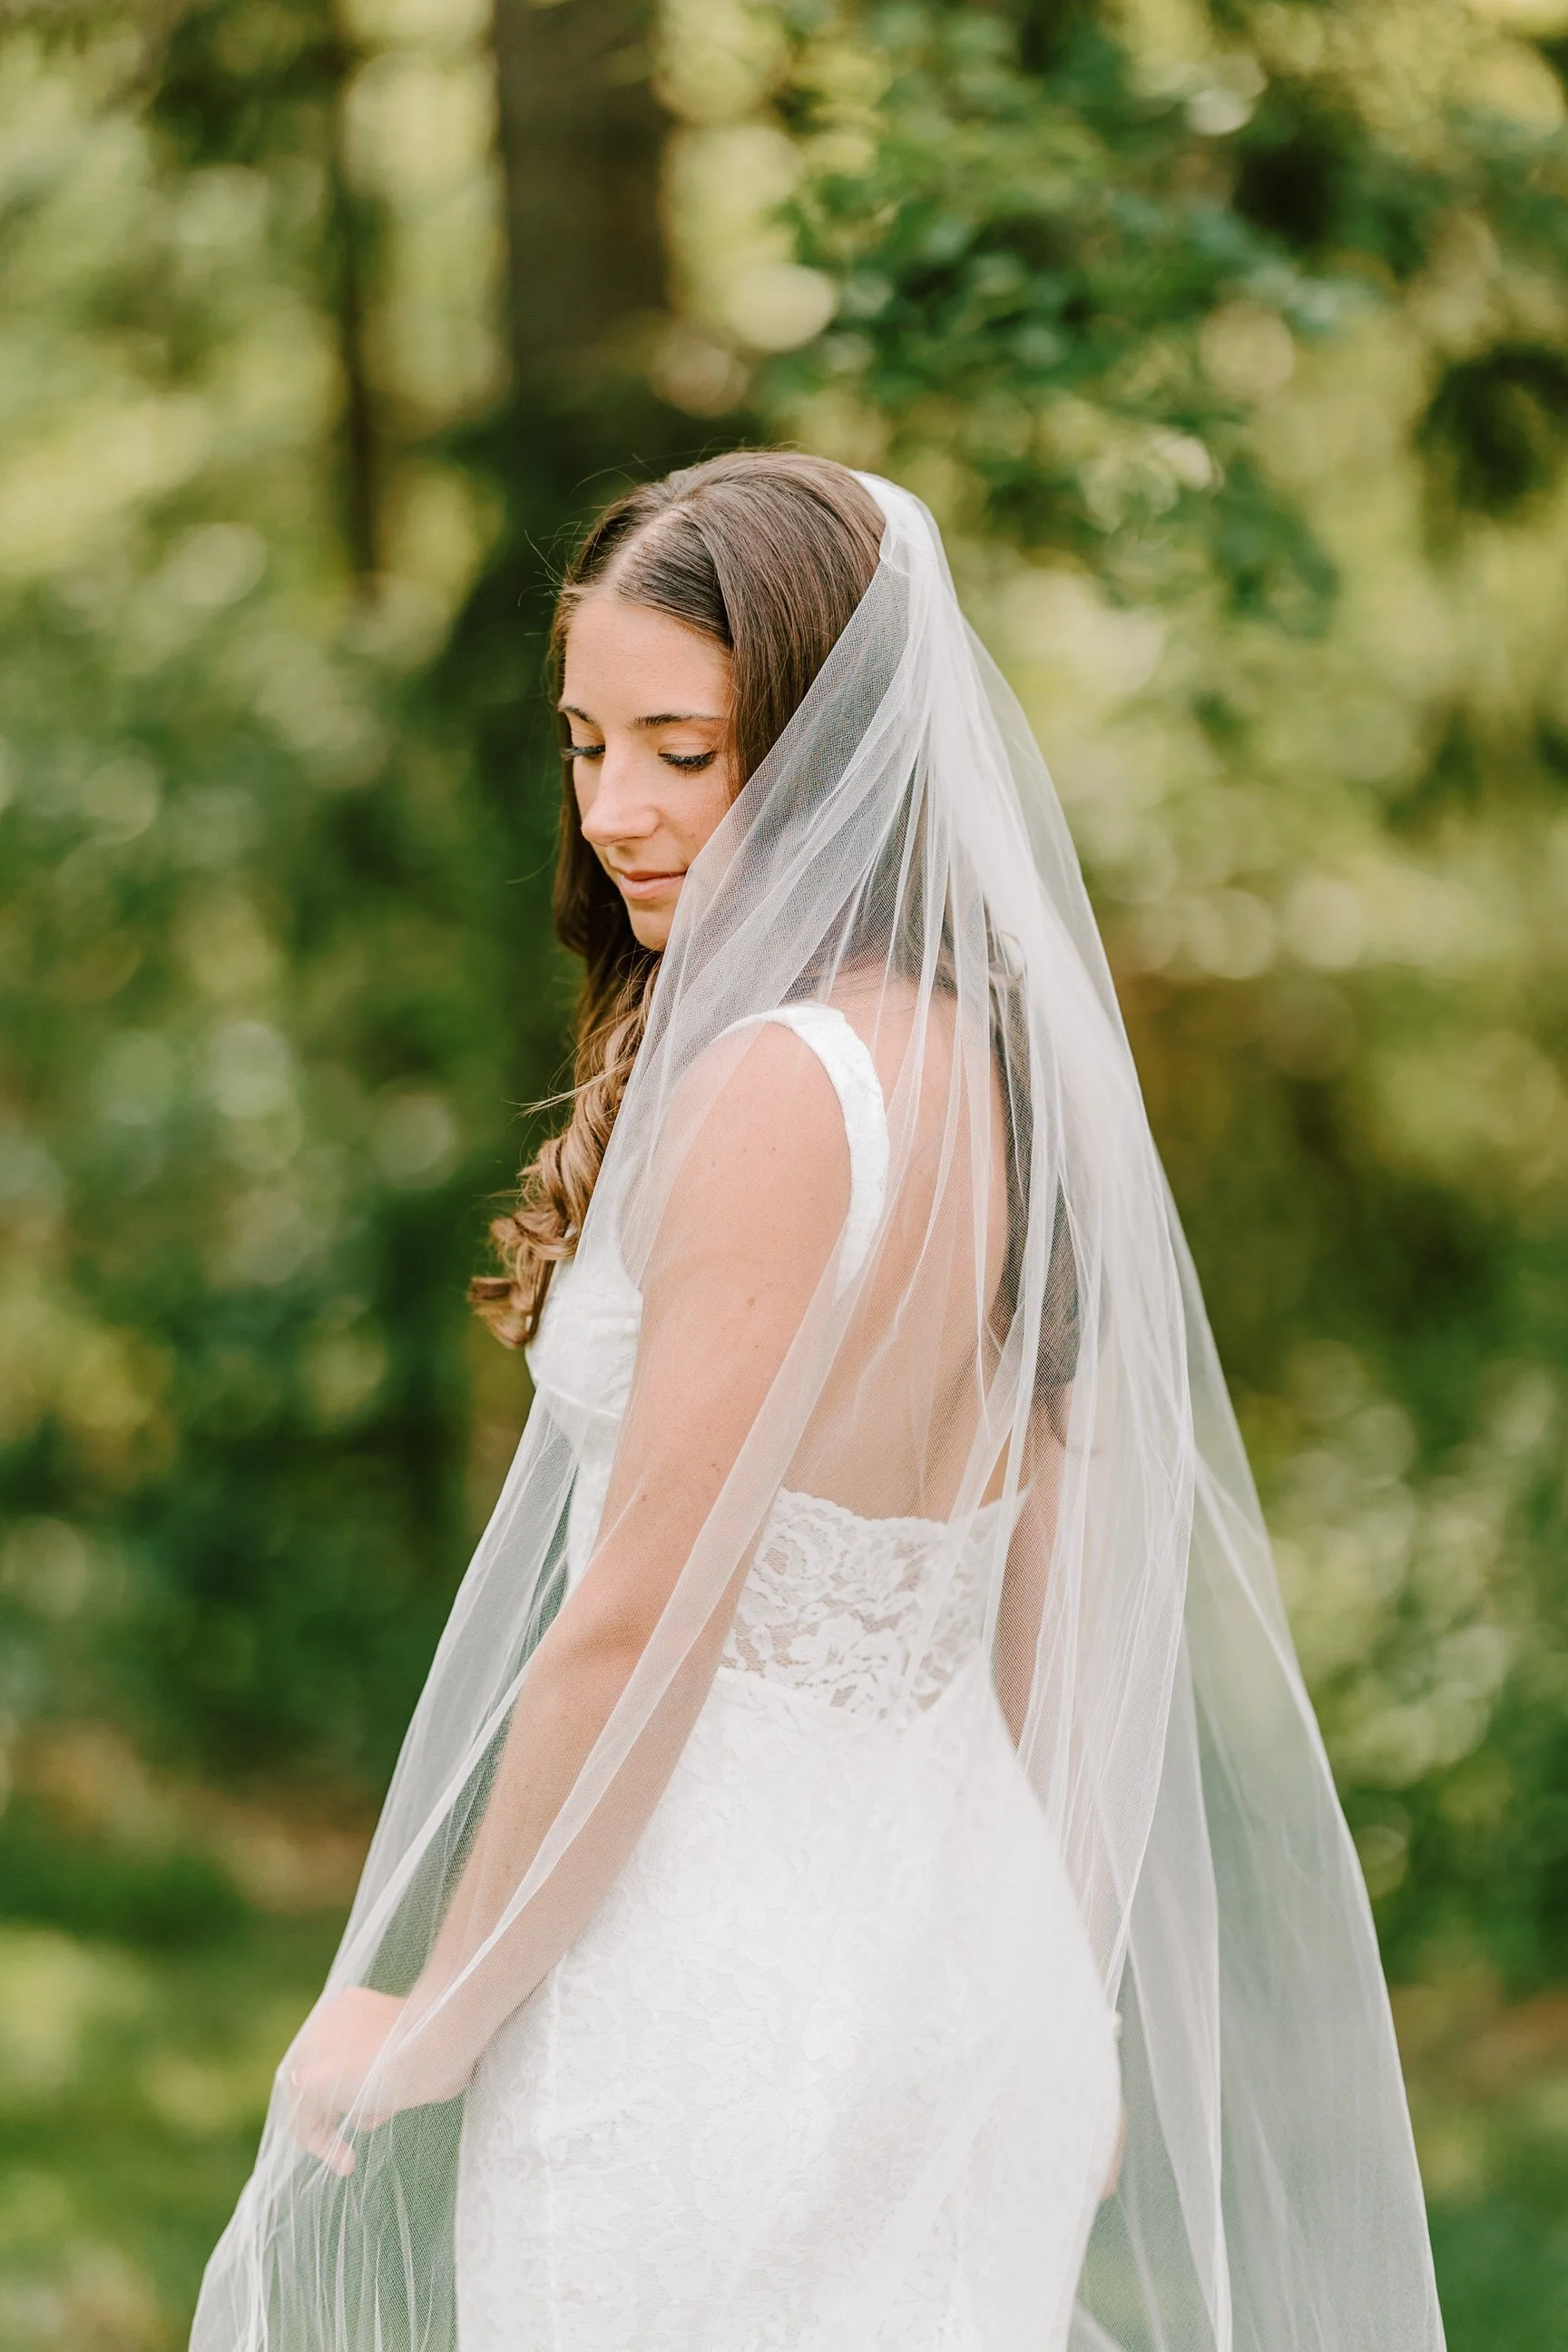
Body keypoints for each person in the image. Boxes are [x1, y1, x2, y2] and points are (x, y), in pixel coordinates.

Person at [193, 455, 1445, 2352]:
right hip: (970, 1945)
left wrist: (426, 2015)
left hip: (724, 1978)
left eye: (681, 754)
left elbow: (637, 1624)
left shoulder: (782, 1089)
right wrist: (1069, 1981)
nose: (614, 812)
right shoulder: (987, 1063)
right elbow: (1055, 1571)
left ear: (829, 731)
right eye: (585, 745)